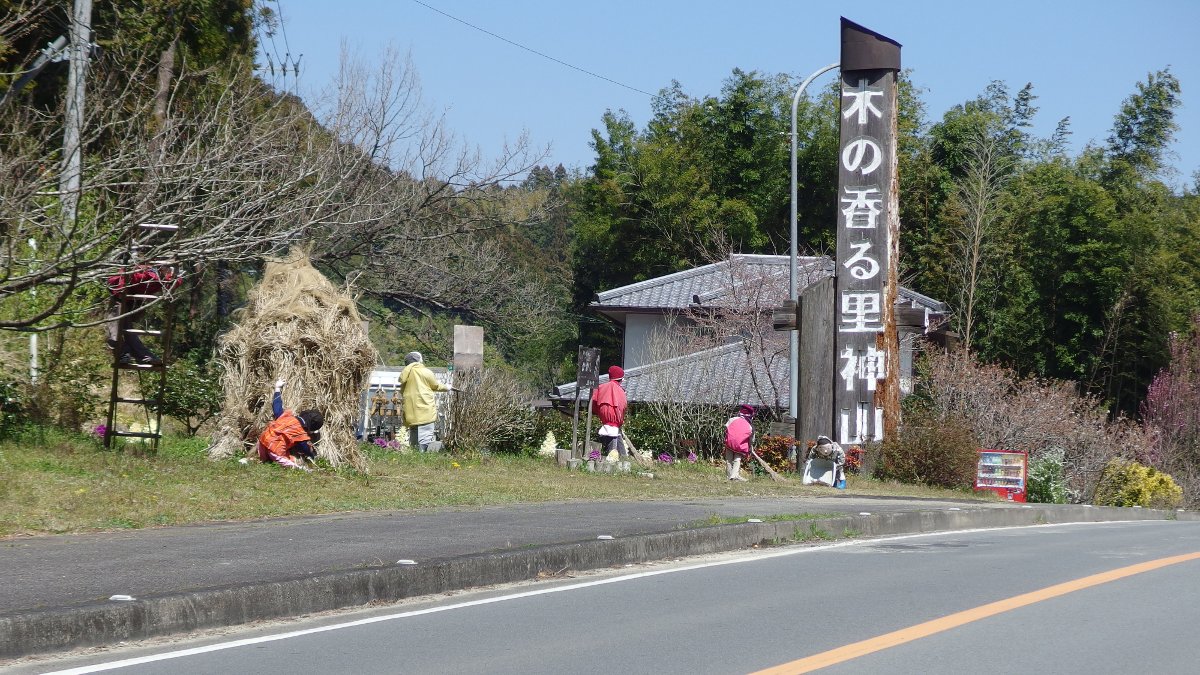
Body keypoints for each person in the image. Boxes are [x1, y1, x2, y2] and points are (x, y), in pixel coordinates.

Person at [105, 264, 179, 365]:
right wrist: (122, 293)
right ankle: (124, 355)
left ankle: (143, 357)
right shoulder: (146, 273)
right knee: (115, 331)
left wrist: (172, 277)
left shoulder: (160, 278)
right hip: (119, 296)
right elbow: (125, 276)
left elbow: (173, 283)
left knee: (128, 331)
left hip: (130, 299)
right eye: (168, 270)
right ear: (162, 268)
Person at [257, 378, 324, 471]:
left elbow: (277, 407)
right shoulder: (300, 433)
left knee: (263, 459)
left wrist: (277, 388)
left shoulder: (287, 417)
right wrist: (312, 455)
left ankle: (259, 459)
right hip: (275, 450)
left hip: (262, 442)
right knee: (294, 467)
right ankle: (304, 470)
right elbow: (304, 447)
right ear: (311, 427)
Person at [400, 351, 452, 452]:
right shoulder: (425, 371)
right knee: (426, 432)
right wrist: (447, 387)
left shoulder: (405, 374)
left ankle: (414, 453)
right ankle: (422, 454)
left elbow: (402, 390)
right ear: (419, 360)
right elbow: (435, 386)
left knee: (414, 431)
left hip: (410, 409)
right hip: (424, 407)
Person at [591, 365, 628, 459]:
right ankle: (618, 459)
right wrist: (620, 421)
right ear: (621, 379)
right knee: (612, 450)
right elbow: (622, 407)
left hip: (604, 420)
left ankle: (622, 458)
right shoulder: (621, 391)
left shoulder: (600, 387)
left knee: (613, 440)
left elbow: (594, 403)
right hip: (615, 422)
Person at [724, 404, 756, 481]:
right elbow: (751, 438)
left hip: (729, 443)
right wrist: (750, 446)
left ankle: (729, 475)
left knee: (728, 460)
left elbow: (726, 428)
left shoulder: (732, 419)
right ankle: (734, 476)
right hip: (740, 445)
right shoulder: (750, 426)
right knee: (737, 459)